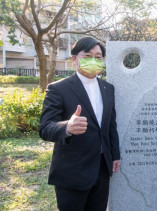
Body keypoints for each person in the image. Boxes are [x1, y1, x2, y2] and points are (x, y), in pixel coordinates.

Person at [39, 37, 120, 211]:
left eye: (98, 57)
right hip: (72, 172)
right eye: (88, 55)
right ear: (75, 59)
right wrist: (67, 127)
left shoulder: (108, 89)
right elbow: (45, 128)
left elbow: (110, 125)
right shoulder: (58, 89)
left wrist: (115, 155)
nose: (94, 60)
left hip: (101, 169)